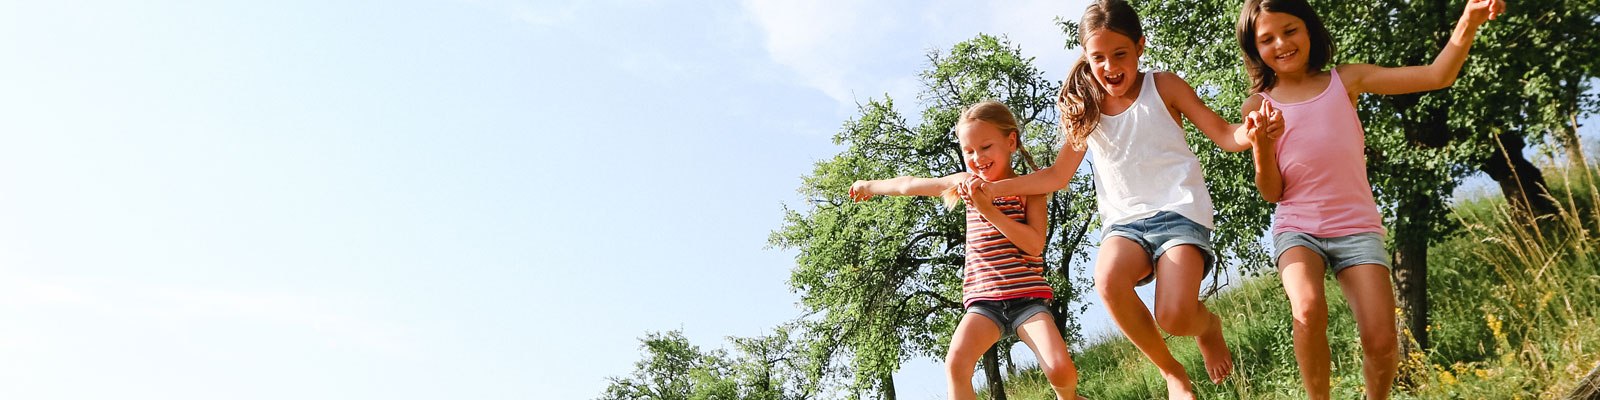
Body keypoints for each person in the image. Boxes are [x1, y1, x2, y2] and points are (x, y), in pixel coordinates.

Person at [967, 1, 1281, 397]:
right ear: (1086, 56)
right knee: (1108, 280)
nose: (1110, 66)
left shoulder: (1164, 86)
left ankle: (1207, 326)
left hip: (1180, 211)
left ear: (1140, 47)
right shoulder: (1087, 110)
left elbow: (1222, 133)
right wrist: (994, 189)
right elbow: (1057, 176)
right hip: (1125, 223)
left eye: (1120, 54)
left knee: (1174, 315)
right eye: (1098, 57)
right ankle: (1172, 372)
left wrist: (1251, 134)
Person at [1235, 0, 1506, 398]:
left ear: (1309, 30)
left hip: (1356, 227)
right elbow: (1272, 193)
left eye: (1290, 30)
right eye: (1267, 39)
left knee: (1382, 343)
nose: (1282, 44)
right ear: (1255, 49)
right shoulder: (1259, 107)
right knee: (1307, 310)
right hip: (1298, 228)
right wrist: (1261, 146)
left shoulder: (1345, 80)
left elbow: (1437, 75)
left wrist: (1469, 20)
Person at [849, 100, 1083, 400]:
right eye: (968, 151)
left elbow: (1034, 245)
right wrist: (869, 185)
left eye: (985, 147)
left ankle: (1070, 398)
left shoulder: (1029, 187)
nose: (977, 158)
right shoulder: (964, 183)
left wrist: (989, 211)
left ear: (1011, 141)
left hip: (1028, 300)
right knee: (956, 364)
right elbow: (909, 185)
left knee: (1060, 368)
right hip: (984, 303)